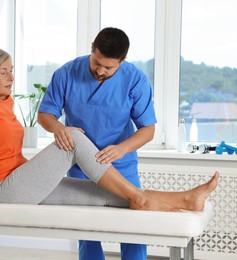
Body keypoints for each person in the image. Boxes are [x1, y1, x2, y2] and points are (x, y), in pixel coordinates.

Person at [0, 47, 219, 247]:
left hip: (17, 181)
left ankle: (185, 200)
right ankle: (142, 199)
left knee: (103, 195)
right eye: (3, 72)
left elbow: (3, 152)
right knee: (73, 138)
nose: (11, 77)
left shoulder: (4, 102)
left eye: (12, 70)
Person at [37, 27, 156, 260]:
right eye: (96, 62)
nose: (100, 70)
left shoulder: (135, 80)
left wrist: (122, 148)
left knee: (134, 224)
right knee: (86, 228)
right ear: (92, 49)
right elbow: (45, 115)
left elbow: (148, 129)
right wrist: (58, 128)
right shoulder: (66, 73)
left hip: (120, 164)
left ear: (122, 61)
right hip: (80, 165)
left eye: (108, 67)